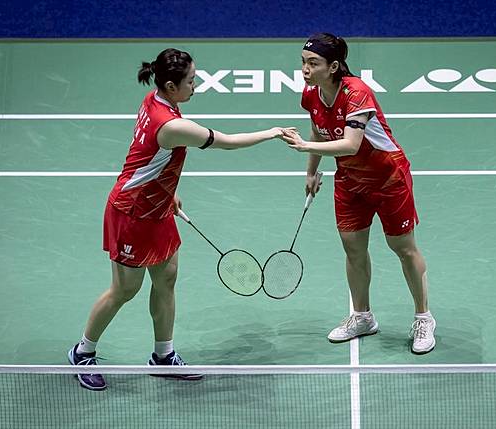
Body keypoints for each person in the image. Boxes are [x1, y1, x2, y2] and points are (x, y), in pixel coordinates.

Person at [68, 48, 290, 390]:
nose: (196, 85)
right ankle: (82, 352)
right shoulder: (172, 125)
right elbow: (227, 143)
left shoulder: (154, 101)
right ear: (171, 86)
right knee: (124, 290)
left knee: (166, 278)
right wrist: (272, 133)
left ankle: (162, 356)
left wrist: (167, 191)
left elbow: (151, 158)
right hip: (132, 213)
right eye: (190, 81)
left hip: (157, 208)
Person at [281, 33, 436, 354]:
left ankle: (424, 317)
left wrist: (304, 148)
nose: (305, 69)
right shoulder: (311, 93)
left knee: (403, 248)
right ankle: (362, 317)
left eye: (313, 63)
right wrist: (312, 170)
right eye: (303, 62)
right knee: (353, 249)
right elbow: (317, 128)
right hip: (349, 181)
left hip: (388, 178)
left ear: (334, 66)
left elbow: (351, 144)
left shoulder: (357, 94)